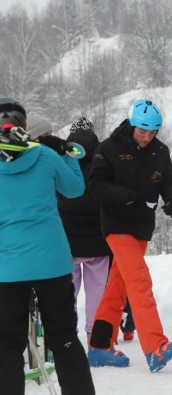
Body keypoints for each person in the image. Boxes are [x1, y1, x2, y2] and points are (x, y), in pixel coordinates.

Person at [0, 98, 95, 394]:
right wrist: (66, 153)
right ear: (24, 126)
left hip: (7, 267)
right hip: (51, 263)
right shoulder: (44, 154)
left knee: (6, 344)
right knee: (64, 337)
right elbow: (75, 189)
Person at [87, 99, 172, 373]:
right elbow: (95, 186)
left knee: (117, 287)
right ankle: (156, 347)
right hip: (117, 225)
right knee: (140, 282)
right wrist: (126, 197)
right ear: (132, 124)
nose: (147, 137)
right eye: (143, 131)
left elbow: (168, 182)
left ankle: (99, 347)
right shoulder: (108, 149)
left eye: (153, 132)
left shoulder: (160, 151)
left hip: (142, 228)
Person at [57, 117, 111, 337]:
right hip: (97, 238)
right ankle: (94, 334)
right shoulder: (103, 159)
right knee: (97, 287)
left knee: (68, 289)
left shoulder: (62, 158)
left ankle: (65, 334)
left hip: (66, 239)